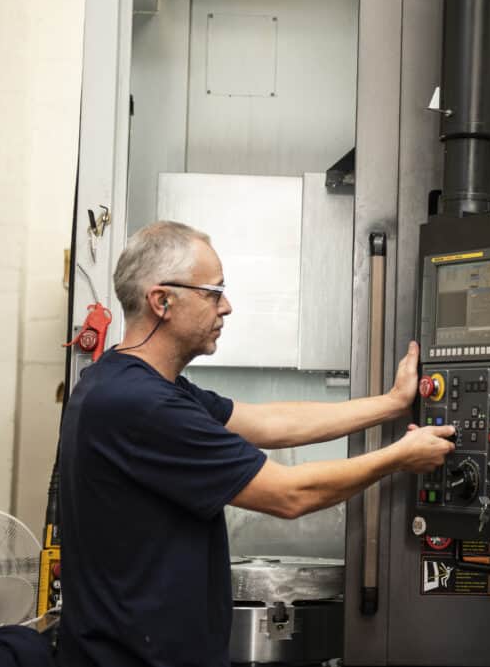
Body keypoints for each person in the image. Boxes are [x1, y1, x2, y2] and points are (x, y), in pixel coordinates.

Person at [57, 221, 454, 667]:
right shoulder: (139, 404)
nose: (226, 306)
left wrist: (392, 403)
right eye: (213, 292)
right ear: (162, 300)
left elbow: (271, 422)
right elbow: (290, 494)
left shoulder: (130, 384)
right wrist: (401, 457)